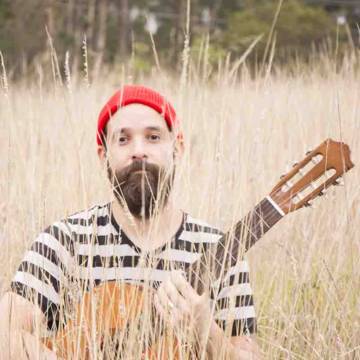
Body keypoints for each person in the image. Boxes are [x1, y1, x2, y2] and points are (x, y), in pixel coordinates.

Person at [0, 85, 260, 359]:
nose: (138, 151)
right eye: (123, 140)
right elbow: (4, 333)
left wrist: (205, 328)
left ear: (177, 148)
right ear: (104, 156)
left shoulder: (220, 249)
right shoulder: (65, 240)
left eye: (153, 137)